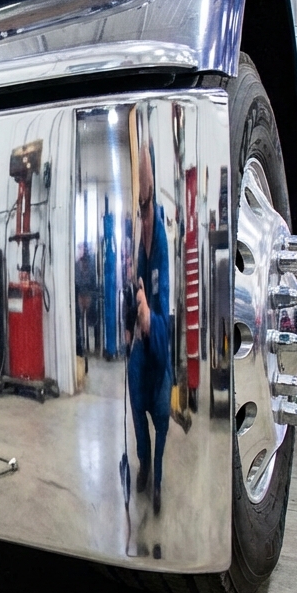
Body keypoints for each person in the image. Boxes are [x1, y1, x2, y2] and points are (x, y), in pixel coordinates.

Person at [127, 152, 172, 515]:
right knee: (136, 403)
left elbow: (159, 316)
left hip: (158, 337)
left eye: (146, 205)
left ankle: (157, 482)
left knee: (160, 413)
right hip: (142, 341)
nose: (142, 214)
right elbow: (136, 306)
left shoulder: (161, 247)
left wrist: (145, 312)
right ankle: (144, 463)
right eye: (139, 208)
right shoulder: (140, 248)